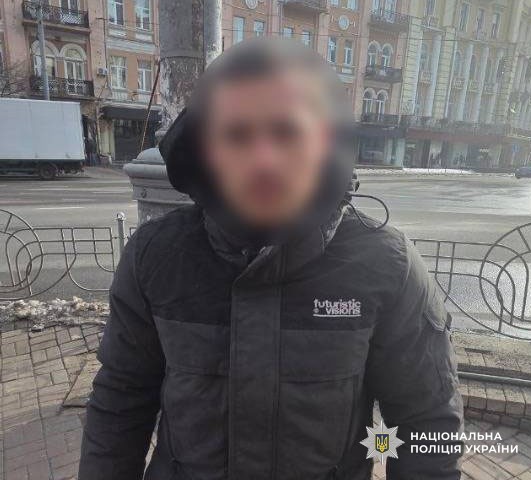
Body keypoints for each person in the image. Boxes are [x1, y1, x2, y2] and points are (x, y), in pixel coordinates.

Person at [79, 39, 463, 480]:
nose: (263, 160)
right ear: (207, 150)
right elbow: (121, 401)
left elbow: (426, 421)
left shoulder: (386, 264)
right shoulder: (155, 256)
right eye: (237, 135)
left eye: (286, 132)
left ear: (323, 143)